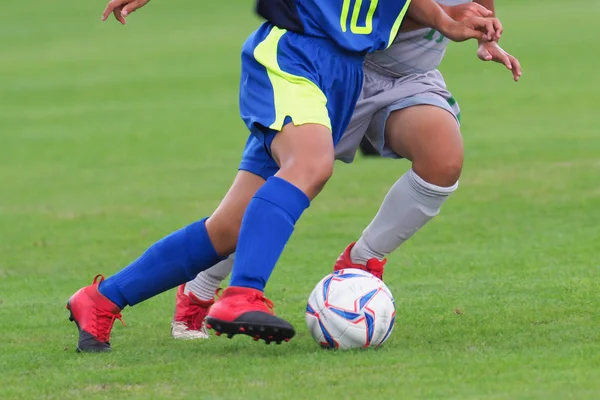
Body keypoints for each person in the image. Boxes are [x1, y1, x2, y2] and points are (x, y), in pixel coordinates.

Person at [67, 0, 502, 352]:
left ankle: (101, 300)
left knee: (229, 229)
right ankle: (241, 296)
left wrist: (453, 21)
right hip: (293, 53)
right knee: (312, 166)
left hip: (342, 71)